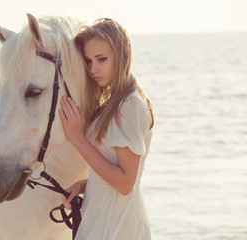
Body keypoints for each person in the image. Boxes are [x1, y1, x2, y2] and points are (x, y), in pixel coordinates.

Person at [58, 18, 155, 240]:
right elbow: (113, 168)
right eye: (89, 61)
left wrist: (78, 139)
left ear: (121, 57)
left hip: (118, 223)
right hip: (101, 214)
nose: (93, 69)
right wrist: (85, 184)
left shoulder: (129, 105)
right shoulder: (115, 103)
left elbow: (125, 183)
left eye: (101, 59)